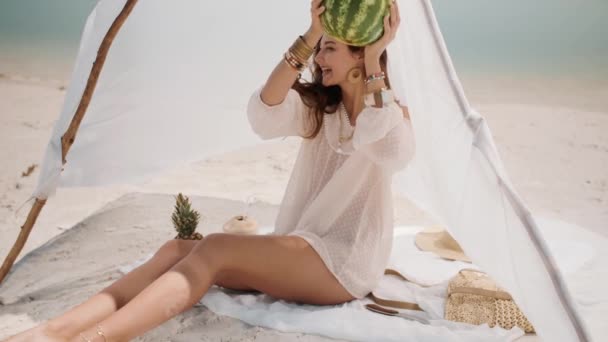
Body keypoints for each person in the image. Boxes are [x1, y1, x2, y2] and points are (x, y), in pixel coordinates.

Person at [4, 0, 413, 341]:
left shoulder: (391, 113)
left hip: (343, 265)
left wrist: (376, 56)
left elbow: (392, 152)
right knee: (177, 251)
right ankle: (55, 330)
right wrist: (308, 36)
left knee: (215, 247)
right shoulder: (321, 111)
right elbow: (264, 113)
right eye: (319, 49)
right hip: (303, 247)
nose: (318, 59)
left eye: (329, 49)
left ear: (359, 52)